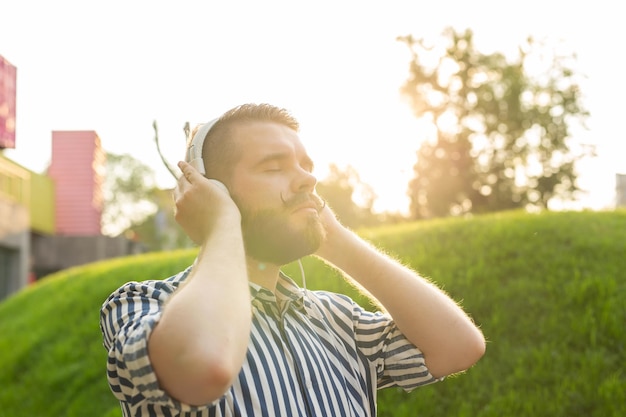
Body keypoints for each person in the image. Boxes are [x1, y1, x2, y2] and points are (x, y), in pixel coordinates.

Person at [100, 103, 485, 417]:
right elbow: (203, 365)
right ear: (210, 190)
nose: (308, 181)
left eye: (307, 167)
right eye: (274, 167)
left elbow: (458, 346)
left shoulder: (338, 319)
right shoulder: (141, 305)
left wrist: (334, 240)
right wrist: (221, 223)